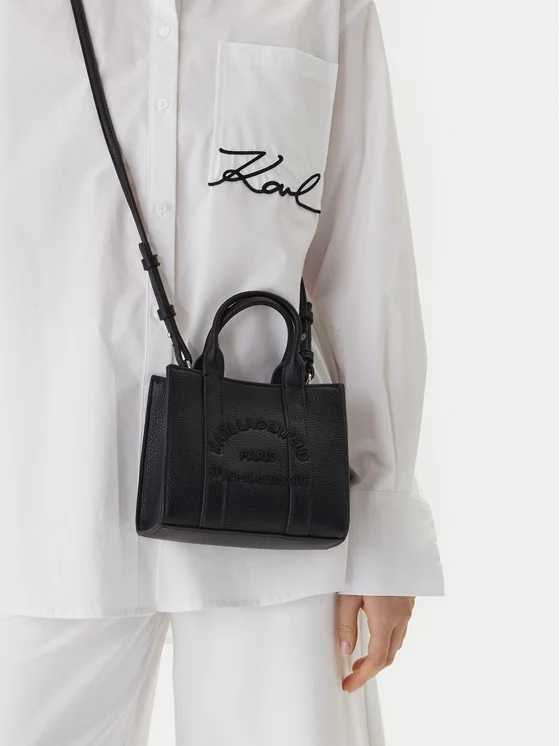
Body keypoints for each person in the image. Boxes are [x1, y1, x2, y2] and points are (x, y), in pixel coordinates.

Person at [0, 0, 444, 744]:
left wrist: (383, 519)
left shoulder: (323, 7)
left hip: (280, 493)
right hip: (45, 494)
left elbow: (365, 255)